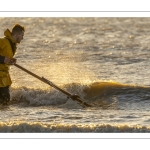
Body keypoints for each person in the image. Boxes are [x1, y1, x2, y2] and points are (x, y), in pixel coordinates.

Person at [0, 24, 25, 105]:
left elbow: (4, 57)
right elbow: (2, 59)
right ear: (17, 34)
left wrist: (10, 60)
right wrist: (2, 59)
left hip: (4, 78)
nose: (22, 38)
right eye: (22, 35)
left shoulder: (12, 44)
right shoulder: (3, 41)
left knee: (5, 101)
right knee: (4, 101)